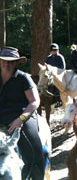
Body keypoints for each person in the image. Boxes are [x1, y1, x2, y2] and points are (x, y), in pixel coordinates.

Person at [0, 47, 45, 180]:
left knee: (33, 148)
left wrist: (21, 118)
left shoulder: (23, 78)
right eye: (5, 61)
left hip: (22, 116)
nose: (8, 64)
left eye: (11, 62)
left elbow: (34, 102)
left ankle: (38, 176)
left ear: (16, 63)